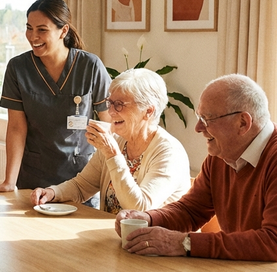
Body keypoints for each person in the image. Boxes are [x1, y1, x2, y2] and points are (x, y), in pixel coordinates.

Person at [116, 74, 277, 272]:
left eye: (207, 119)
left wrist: (185, 243)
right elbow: (191, 210)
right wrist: (148, 219)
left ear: (243, 122)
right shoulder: (222, 153)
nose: (198, 128)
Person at [0, 0, 112, 192]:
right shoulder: (18, 68)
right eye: (29, 28)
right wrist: (9, 181)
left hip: (81, 180)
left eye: (42, 30)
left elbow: (109, 123)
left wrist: (111, 175)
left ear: (63, 31)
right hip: (34, 179)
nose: (32, 36)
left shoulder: (90, 66)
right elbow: (16, 128)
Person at [30, 68, 190, 212]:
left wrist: (113, 155)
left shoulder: (169, 153)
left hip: (155, 241)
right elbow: (82, 186)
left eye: (119, 105)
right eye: (110, 103)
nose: (111, 112)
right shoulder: (116, 141)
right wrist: (52, 193)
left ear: (148, 111)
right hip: (114, 236)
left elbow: (140, 208)